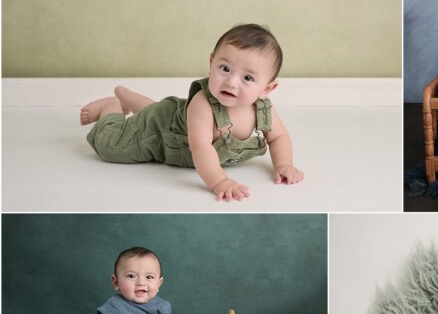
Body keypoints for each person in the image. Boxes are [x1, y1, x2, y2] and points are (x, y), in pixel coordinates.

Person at [81, 23, 303, 202]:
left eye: (248, 78)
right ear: (211, 62)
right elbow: (200, 146)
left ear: (267, 88)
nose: (231, 82)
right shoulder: (203, 104)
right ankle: (111, 107)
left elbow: (278, 137)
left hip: (170, 116)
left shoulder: (263, 108)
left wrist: (283, 164)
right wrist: (219, 181)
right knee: (110, 146)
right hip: (159, 132)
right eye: (224, 69)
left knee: (154, 111)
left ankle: (127, 97)